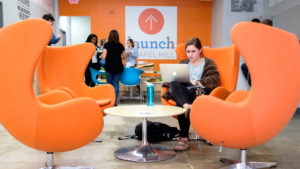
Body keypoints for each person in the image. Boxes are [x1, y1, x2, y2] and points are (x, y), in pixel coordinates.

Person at [164, 37, 220, 151]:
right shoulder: (183, 63)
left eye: (193, 51)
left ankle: (184, 138)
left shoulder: (208, 62)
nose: (190, 54)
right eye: (188, 52)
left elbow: (215, 78)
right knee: (174, 84)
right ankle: (186, 105)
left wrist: (199, 82)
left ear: (200, 50)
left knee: (184, 96)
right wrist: (168, 78)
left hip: (200, 91)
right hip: (184, 90)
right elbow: (174, 79)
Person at [101, 30, 126, 105]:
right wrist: (119, 58)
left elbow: (104, 56)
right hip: (118, 67)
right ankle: (115, 102)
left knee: (109, 84)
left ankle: (110, 101)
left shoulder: (106, 45)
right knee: (116, 84)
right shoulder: (120, 45)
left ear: (110, 36)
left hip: (109, 67)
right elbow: (124, 57)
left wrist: (101, 55)